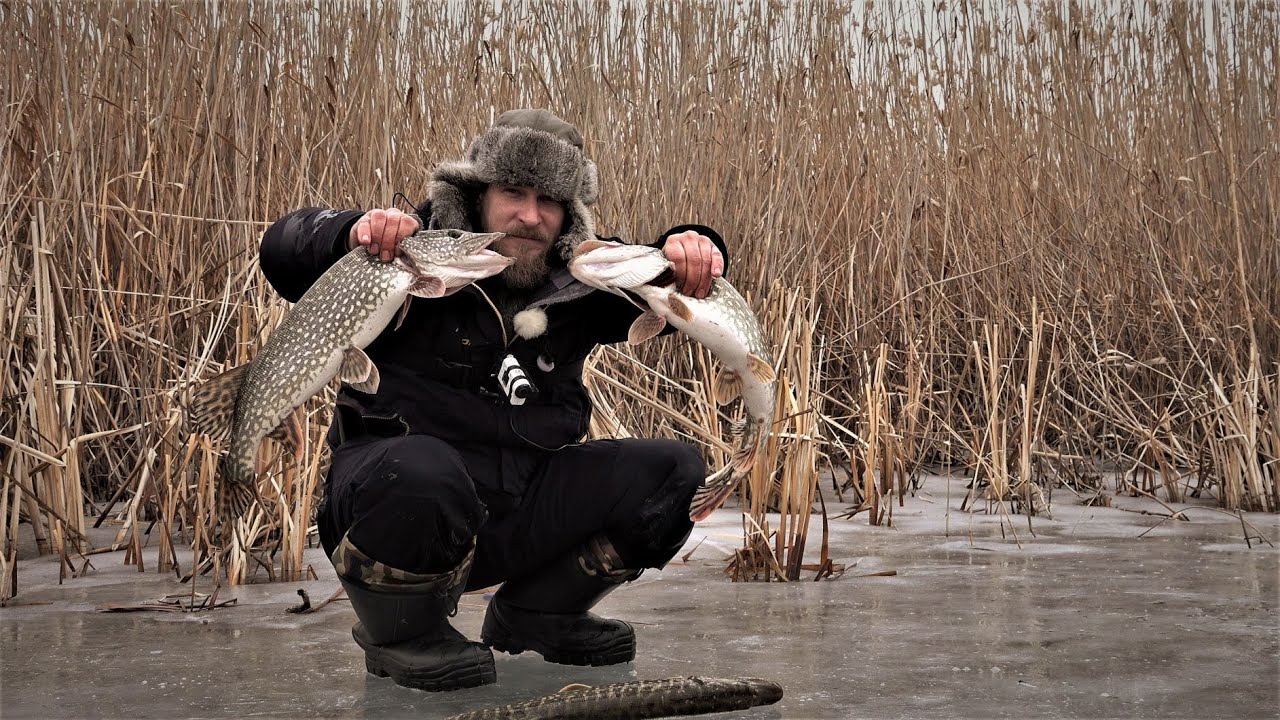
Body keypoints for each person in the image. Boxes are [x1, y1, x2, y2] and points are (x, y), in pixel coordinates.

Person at [258, 109, 729, 692]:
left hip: (518, 510)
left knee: (673, 475)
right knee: (421, 471)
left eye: (549, 200)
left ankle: (539, 613)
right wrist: (350, 232)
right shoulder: (410, 253)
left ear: (568, 216)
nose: (529, 216)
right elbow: (281, 248)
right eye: (513, 191)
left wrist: (693, 250)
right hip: (400, 512)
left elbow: (667, 284)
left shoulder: (582, 281)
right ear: (478, 191)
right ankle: (403, 633)